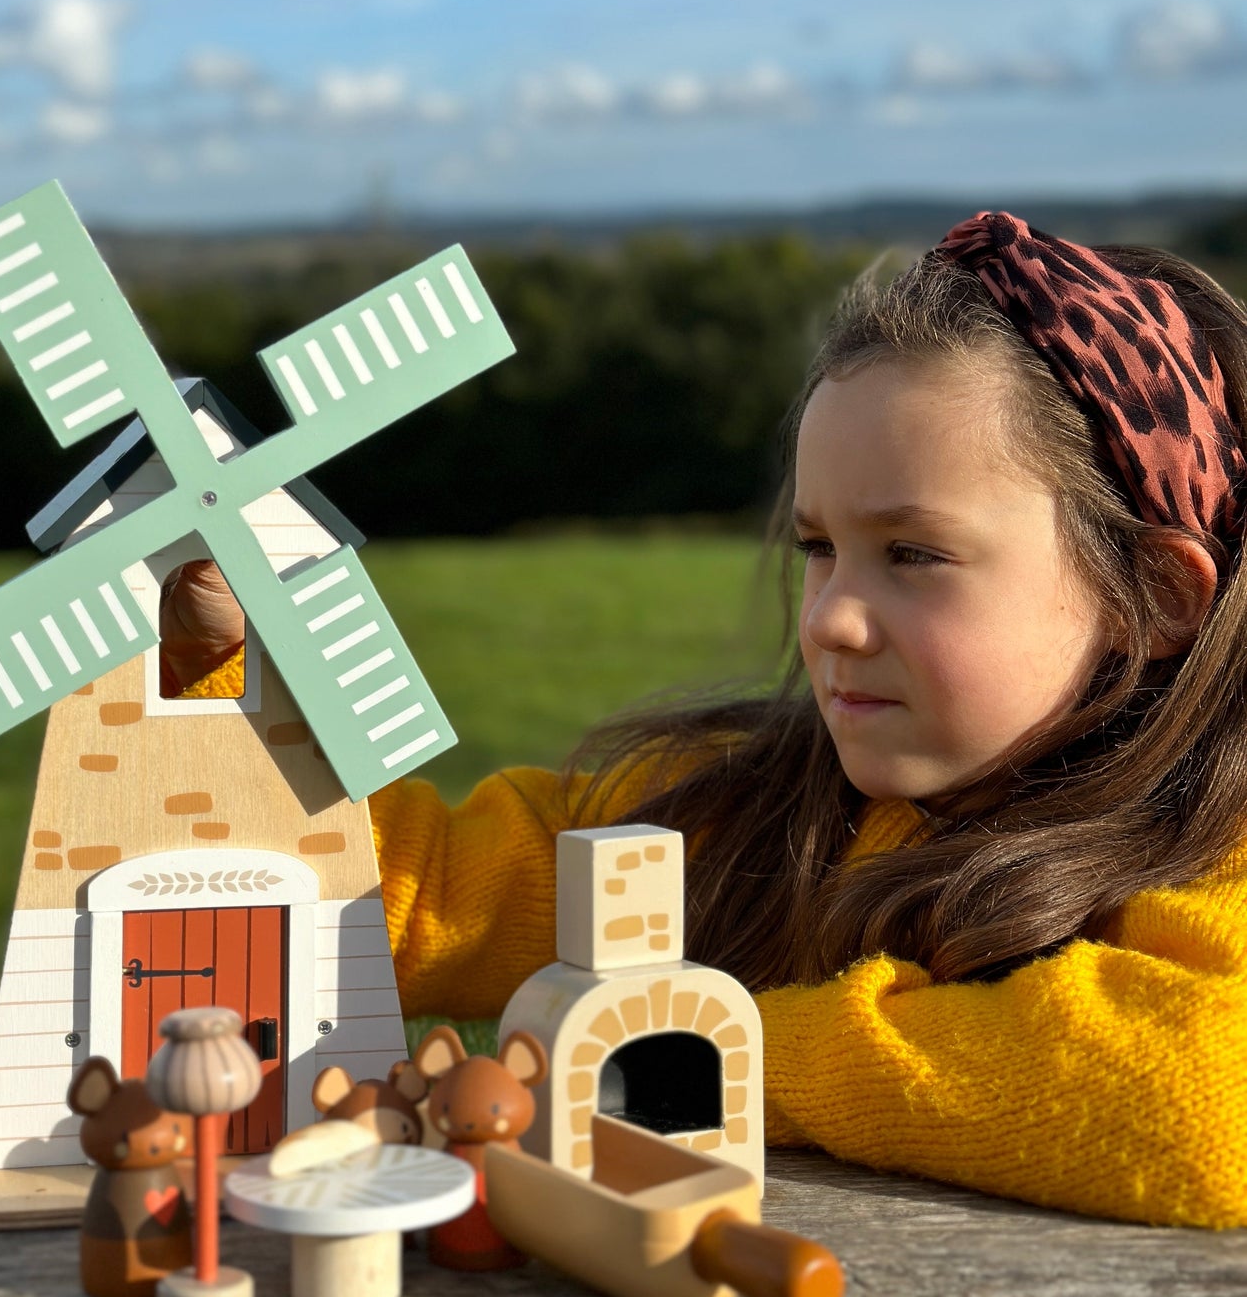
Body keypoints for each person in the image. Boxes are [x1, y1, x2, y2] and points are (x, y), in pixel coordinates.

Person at [162, 213, 1247, 1228]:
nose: (829, 618)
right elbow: (403, 887)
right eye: (817, 547)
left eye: (911, 554)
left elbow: (1200, 1093)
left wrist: (699, 1052)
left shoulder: (1216, 853)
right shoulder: (737, 813)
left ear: (1152, 597)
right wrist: (200, 650)